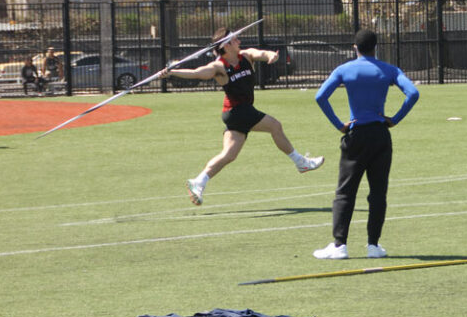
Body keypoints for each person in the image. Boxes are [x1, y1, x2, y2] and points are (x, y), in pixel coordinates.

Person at [160, 27, 325, 206]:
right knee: (275, 126)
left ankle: (198, 182)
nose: (239, 41)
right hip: (237, 111)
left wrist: (270, 55)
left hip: (240, 112)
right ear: (226, 45)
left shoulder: (245, 56)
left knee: (229, 155)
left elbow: (260, 52)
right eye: (235, 39)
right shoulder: (219, 66)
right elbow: (197, 73)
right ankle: (301, 162)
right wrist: (172, 72)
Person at [313, 30, 420, 259]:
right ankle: (373, 245)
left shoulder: (344, 70)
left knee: (345, 192)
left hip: (356, 134)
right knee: (378, 192)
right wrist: (395, 118)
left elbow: (320, 97)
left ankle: (340, 245)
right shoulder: (389, 70)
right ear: (376, 47)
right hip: (381, 134)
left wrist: (339, 125)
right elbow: (412, 93)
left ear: (355, 47)